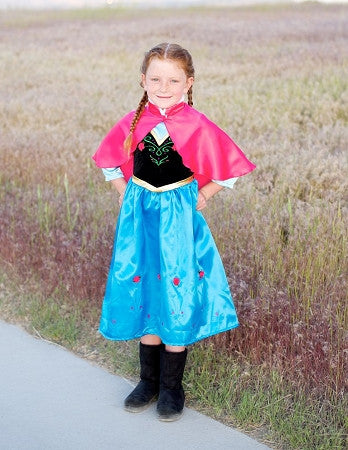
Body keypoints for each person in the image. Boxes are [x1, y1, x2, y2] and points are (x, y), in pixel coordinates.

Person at [92, 43, 255, 422]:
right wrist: (124, 193)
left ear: (189, 82)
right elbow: (109, 164)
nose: (164, 86)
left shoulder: (196, 123)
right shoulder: (133, 121)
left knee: (176, 287)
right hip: (140, 219)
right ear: (143, 80)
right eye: (155, 79)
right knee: (147, 284)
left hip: (178, 221)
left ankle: (171, 388)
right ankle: (147, 382)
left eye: (173, 80)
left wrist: (204, 195)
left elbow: (228, 169)